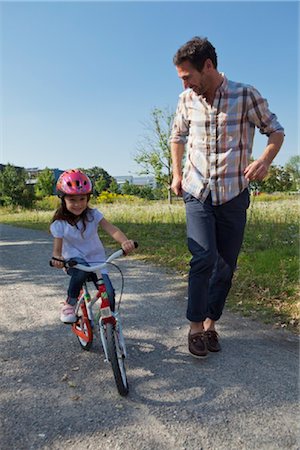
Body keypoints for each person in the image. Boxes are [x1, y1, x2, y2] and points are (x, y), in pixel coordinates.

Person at [170, 37, 284, 358]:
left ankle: (210, 324)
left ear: (208, 66)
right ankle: (194, 327)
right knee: (203, 256)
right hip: (197, 190)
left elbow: (275, 130)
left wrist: (263, 161)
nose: (186, 83)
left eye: (187, 76)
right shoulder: (186, 100)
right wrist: (177, 174)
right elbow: (177, 136)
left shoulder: (245, 94)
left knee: (225, 265)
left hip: (233, 193)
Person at [50, 169, 136, 323]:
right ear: (63, 200)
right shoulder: (60, 224)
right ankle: (70, 303)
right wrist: (57, 259)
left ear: (88, 198)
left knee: (109, 294)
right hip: (74, 262)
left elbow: (112, 229)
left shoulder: (93, 215)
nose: (78, 204)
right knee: (80, 270)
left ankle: (109, 322)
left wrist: (124, 241)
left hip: (97, 261)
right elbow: (57, 251)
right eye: (72, 200)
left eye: (82, 199)